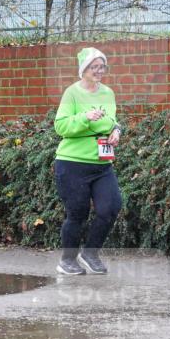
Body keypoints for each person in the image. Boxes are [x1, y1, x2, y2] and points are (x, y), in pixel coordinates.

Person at [53, 47, 123, 275]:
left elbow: (112, 120)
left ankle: (90, 253)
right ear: (84, 69)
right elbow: (61, 126)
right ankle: (67, 260)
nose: (99, 71)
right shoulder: (72, 93)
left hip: (102, 163)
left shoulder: (108, 93)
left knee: (111, 208)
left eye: (102, 66)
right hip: (72, 162)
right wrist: (85, 117)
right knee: (78, 213)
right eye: (95, 67)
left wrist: (116, 131)